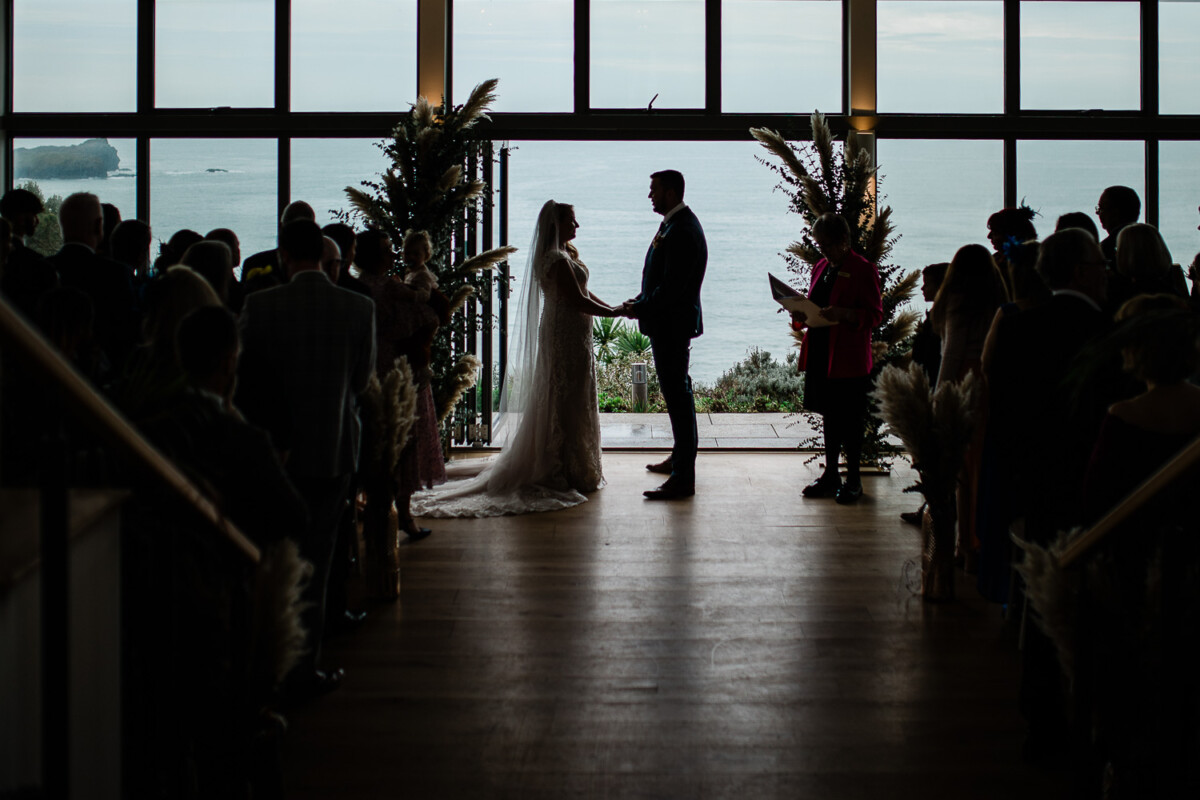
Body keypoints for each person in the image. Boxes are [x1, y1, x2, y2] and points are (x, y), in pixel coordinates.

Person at [410, 200, 624, 518]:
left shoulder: (563, 256)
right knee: (564, 395)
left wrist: (615, 307)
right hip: (564, 335)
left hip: (572, 332)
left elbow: (584, 292)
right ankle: (566, 466)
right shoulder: (556, 259)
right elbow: (578, 299)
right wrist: (617, 312)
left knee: (573, 394)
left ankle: (576, 464)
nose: (577, 227)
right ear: (557, 224)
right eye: (572, 221)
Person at [238, 218, 376, 701]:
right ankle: (303, 668)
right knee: (318, 558)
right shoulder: (357, 308)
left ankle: (262, 662)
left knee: (270, 554)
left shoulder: (258, 305)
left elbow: (245, 383)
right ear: (324, 257)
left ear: (282, 256)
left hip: (272, 454)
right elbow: (361, 384)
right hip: (333, 447)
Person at [621, 169, 708, 500]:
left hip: (672, 325)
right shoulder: (675, 223)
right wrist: (642, 302)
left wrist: (639, 306)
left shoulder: (683, 229)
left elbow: (671, 289)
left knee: (679, 397)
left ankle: (683, 476)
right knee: (677, 395)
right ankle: (679, 458)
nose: (650, 196)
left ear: (671, 193)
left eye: (654, 190)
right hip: (668, 323)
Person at [791, 212, 883, 505]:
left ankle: (854, 480)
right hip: (822, 351)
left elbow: (876, 316)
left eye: (827, 245)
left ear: (844, 241)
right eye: (819, 245)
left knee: (851, 421)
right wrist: (800, 314)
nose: (823, 250)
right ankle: (831, 475)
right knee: (830, 417)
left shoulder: (862, 269)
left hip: (848, 357)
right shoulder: (821, 266)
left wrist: (844, 314)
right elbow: (815, 304)